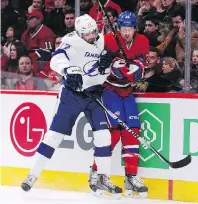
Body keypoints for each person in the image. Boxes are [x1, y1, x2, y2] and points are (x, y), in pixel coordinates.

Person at [20, 14, 122, 199]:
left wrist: (104, 69)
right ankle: (32, 174)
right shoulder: (70, 41)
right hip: (71, 95)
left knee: (104, 135)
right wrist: (68, 70)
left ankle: (103, 177)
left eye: (93, 31)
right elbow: (56, 59)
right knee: (54, 136)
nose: (91, 36)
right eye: (86, 33)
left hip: (94, 95)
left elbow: (103, 75)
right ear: (78, 33)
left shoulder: (102, 42)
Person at [89, 11, 149, 198]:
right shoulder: (108, 39)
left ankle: (131, 175)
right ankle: (97, 174)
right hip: (110, 90)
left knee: (133, 130)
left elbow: (138, 73)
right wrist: (112, 63)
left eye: (130, 29)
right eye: (123, 28)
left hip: (127, 92)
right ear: (119, 28)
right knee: (114, 130)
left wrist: (136, 66)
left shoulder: (142, 41)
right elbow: (96, 59)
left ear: (134, 29)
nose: (126, 33)